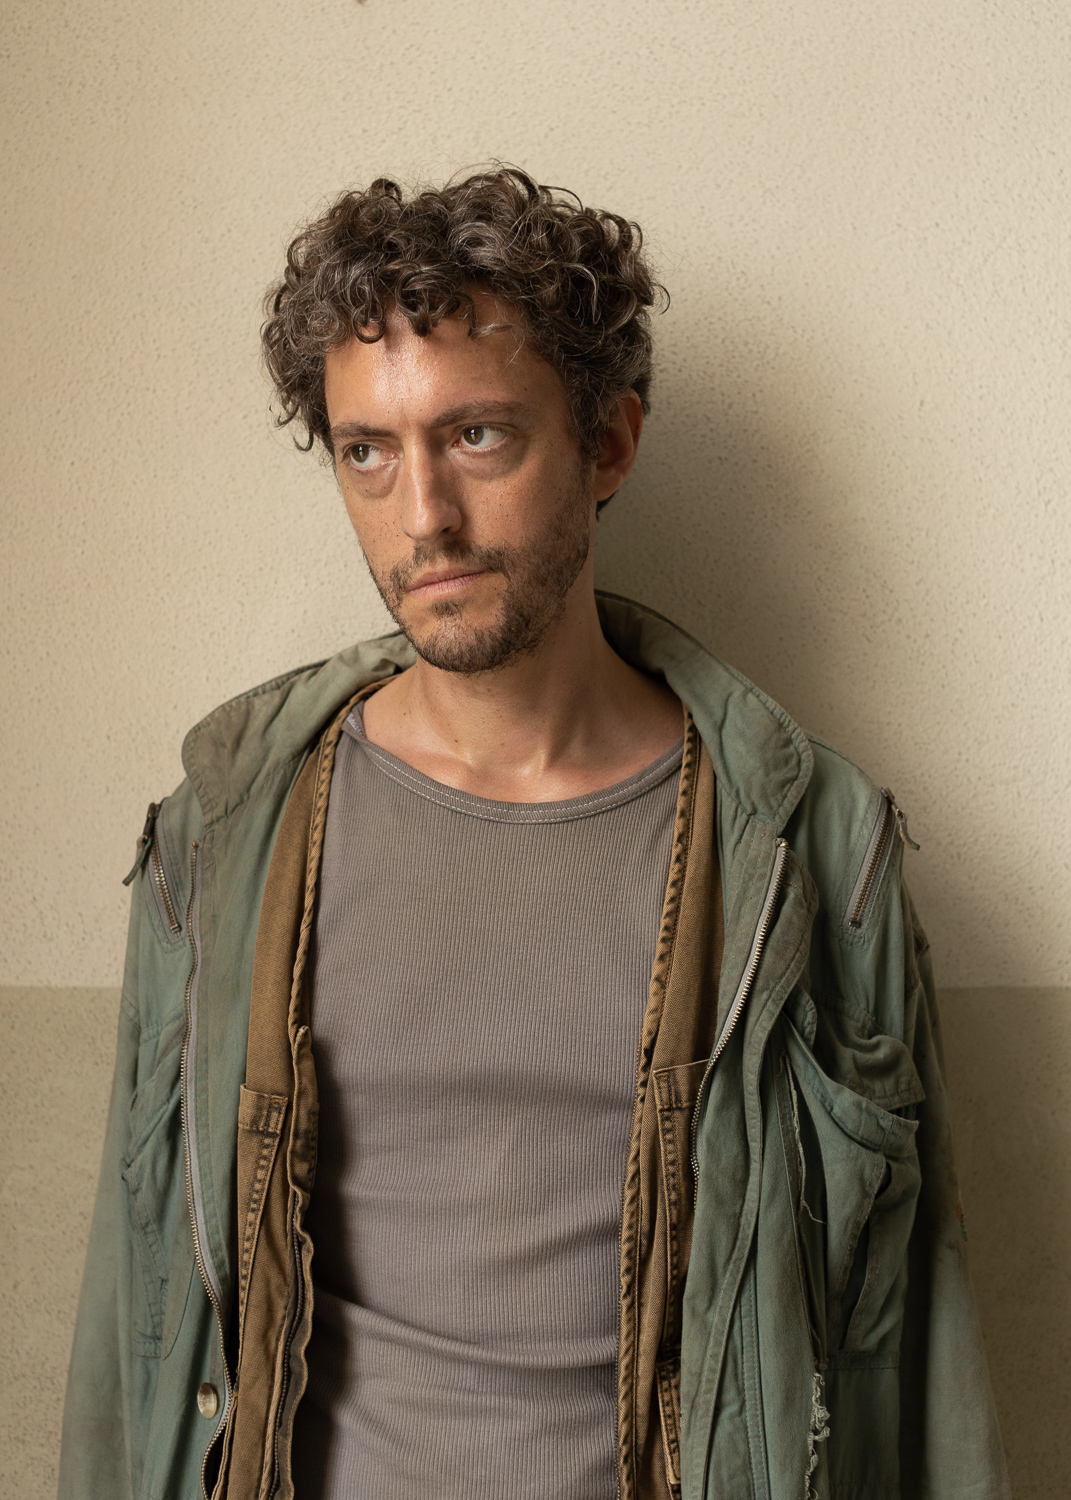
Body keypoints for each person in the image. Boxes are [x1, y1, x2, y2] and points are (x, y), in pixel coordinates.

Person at [59, 168, 1010, 1500]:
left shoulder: (810, 854)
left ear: (608, 443)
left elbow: (918, 1350)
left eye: (478, 436)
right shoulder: (222, 840)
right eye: (367, 452)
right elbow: (136, 1325)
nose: (423, 517)